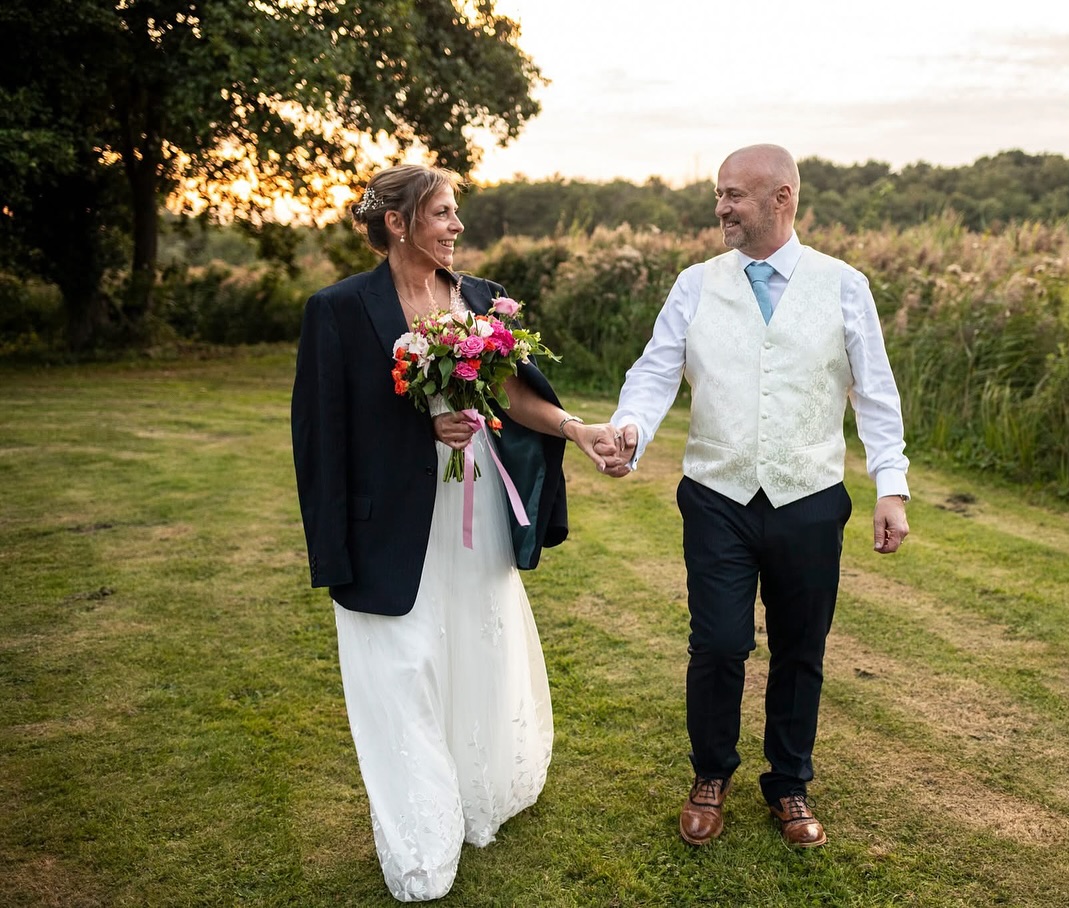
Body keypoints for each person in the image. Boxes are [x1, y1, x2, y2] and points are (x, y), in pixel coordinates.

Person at [291, 164, 618, 901]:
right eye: (442, 212)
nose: (457, 226)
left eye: (455, 212)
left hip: (474, 508)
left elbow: (510, 393)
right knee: (400, 670)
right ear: (398, 222)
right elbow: (322, 437)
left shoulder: (479, 299)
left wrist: (575, 427)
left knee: (475, 648)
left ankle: (479, 790)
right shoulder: (336, 310)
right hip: (386, 525)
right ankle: (420, 840)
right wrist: (336, 542)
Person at [605, 144, 910, 849]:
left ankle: (790, 782)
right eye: (719, 194)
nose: (721, 207)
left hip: (810, 497)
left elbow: (875, 392)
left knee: (801, 647)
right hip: (717, 493)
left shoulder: (844, 285)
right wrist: (630, 430)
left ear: (782, 198)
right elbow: (655, 372)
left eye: (734, 195)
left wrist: (890, 487)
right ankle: (710, 774)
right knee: (717, 643)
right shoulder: (694, 284)